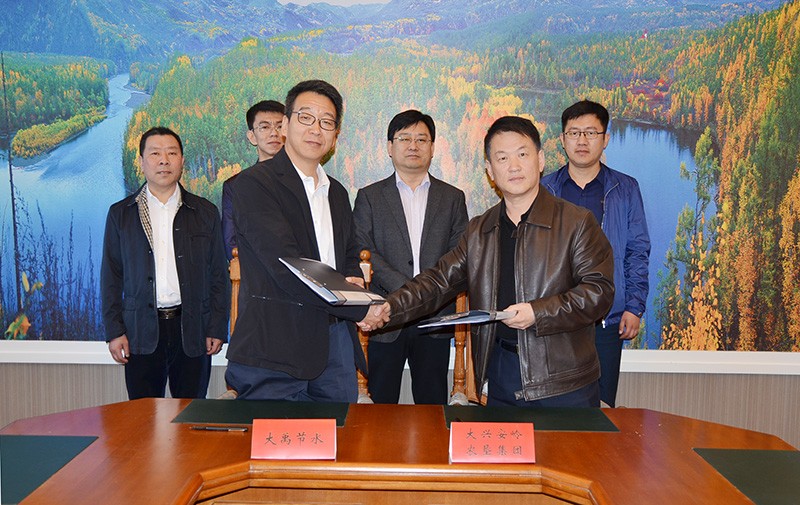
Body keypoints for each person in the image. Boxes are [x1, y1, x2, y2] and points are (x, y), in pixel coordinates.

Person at [361, 116, 614, 407]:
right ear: (490, 170)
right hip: (501, 372)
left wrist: (538, 312)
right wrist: (390, 307)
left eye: (522, 154)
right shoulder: (480, 231)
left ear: (540, 160)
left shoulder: (576, 222)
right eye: (502, 158)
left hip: (563, 379)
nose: (514, 166)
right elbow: (438, 281)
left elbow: (599, 293)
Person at [225, 80, 386, 402]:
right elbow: (288, 265)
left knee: (337, 432)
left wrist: (352, 277)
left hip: (335, 346)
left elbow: (349, 252)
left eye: (327, 122)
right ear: (285, 124)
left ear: (335, 135)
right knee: (279, 436)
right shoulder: (253, 185)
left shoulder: (336, 192)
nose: (316, 129)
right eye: (306, 117)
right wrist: (358, 308)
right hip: (275, 348)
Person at [101, 126, 229, 400]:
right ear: (141, 161)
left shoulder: (204, 212)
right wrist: (115, 331)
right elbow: (111, 278)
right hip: (140, 331)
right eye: (155, 154)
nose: (164, 161)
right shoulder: (121, 214)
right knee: (143, 417)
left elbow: (219, 275)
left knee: (191, 413)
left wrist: (217, 327)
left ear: (181, 161)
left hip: (192, 330)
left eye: (171, 153)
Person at [353, 110, 468, 405]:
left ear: (432, 147)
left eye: (421, 139)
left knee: (432, 405)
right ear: (390, 147)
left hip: (435, 317)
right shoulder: (369, 196)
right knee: (382, 405)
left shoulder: (453, 197)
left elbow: (458, 254)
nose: (413, 146)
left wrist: (426, 295)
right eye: (404, 139)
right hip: (386, 316)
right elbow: (364, 249)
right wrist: (409, 291)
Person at [542, 100, 650, 407]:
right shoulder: (544, 190)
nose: (582, 140)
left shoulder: (625, 189)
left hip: (607, 318)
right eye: (574, 133)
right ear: (562, 139)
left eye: (591, 132)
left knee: (600, 408)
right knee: (553, 406)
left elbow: (637, 250)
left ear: (605, 139)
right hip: (555, 319)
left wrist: (634, 307)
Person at [222, 100, 285, 260]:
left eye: (279, 126)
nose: (274, 133)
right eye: (265, 127)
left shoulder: (304, 180)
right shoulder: (235, 186)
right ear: (252, 136)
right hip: (254, 271)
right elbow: (231, 243)